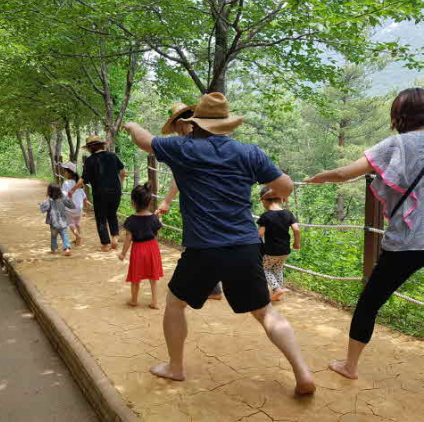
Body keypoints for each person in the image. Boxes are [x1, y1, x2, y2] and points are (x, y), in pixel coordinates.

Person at [124, 92, 315, 395]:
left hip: (203, 249)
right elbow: (286, 187)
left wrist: (132, 125)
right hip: (245, 245)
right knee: (265, 312)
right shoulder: (249, 152)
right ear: (226, 124)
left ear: (195, 123)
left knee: (175, 304)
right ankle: (302, 372)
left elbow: (145, 140)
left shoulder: (182, 148)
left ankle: (176, 367)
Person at [304, 87, 424, 380]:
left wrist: (318, 178)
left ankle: (350, 366)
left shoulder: (396, 145)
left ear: (398, 115)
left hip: (407, 242)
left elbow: (345, 173)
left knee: (370, 303)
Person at [156, 103, 224, 301]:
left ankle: (203, 288)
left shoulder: (189, 145)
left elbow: (178, 177)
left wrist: (167, 201)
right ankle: (213, 287)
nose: (176, 133)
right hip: (217, 200)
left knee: (199, 244)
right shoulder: (209, 138)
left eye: (175, 128)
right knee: (209, 242)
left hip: (200, 203)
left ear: (180, 123)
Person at [69, 136, 127, 252]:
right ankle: (114, 237)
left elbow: (83, 179)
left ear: (91, 148)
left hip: (100, 193)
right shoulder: (112, 156)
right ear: (101, 145)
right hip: (115, 191)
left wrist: (73, 190)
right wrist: (119, 184)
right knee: (112, 214)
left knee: (101, 218)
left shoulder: (90, 160)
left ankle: (106, 244)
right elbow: (123, 173)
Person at [119, 184, 164, 309]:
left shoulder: (131, 220)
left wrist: (123, 253)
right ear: (149, 202)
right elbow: (158, 232)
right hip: (152, 248)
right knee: (153, 277)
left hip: (138, 249)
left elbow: (128, 239)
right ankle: (155, 302)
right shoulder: (154, 218)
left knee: (135, 277)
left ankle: (134, 300)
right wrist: (158, 218)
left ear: (133, 203)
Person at [257, 186, 301, 301]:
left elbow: (260, 234)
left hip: (271, 251)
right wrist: (297, 243)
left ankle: (277, 289)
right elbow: (296, 229)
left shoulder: (265, 216)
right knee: (278, 269)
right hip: (285, 251)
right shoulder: (288, 214)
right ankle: (278, 292)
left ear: (264, 201)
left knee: (265, 269)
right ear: (281, 199)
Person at [40, 183, 76, 257]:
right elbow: (72, 206)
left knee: (53, 236)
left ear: (49, 192)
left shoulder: (49, 201)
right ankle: (67, 249)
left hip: (53, 223)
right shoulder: (63, 199)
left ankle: (54, 249)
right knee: (64, 235)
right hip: (63, 222)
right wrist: (70, 198)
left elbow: (43, 209)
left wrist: (41, 204)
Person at [60, 162, 91, 246]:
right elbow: (83, 194)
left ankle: (78, 236)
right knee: (77, 223)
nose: (63, 172)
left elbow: (63, 195)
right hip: (79, 208)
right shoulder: (78, 183)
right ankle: (78, 240)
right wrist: (86, 201)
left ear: (69, 173)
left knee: (71, 224)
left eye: (65, 171)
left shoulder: (66, 183)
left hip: (70, 208)